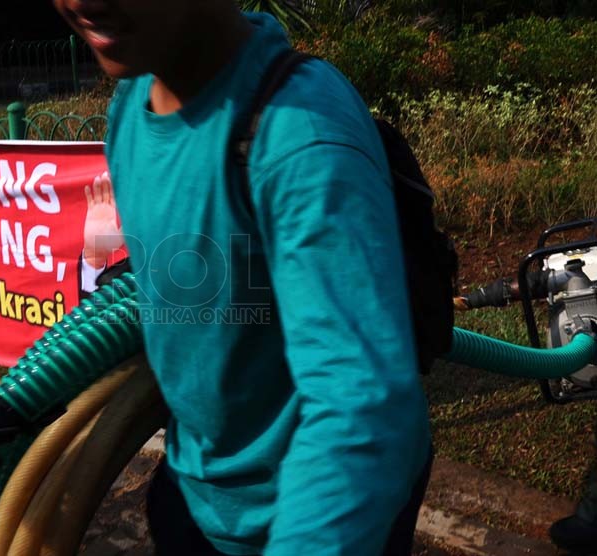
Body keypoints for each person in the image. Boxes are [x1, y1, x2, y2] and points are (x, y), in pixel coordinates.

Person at [52, 1, 432, 554]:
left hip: (307, 515)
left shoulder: (297, 137)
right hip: (198, 493)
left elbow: (360, 413)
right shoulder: (132, 104)